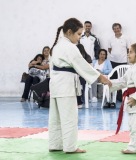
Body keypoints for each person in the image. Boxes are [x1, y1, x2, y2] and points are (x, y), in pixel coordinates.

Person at [48, 18, 111, 154]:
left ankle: (55, 144)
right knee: (69, 117)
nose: (79, 38)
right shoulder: (69, 47)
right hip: (65, 85)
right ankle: (70, 147)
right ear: (69, 32)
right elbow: (81, 64)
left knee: (56, 117)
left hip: (55, 84)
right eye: (78, 34)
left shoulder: (57, 46)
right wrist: (100, 77)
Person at [110, 43, 136, 154]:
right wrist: (109, 83)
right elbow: (123, 82)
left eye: (131, 52)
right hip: (134, 100)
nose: (128, 54)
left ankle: (135, 147)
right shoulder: (133, 68)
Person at [76, 43, 92, 108]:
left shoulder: (87, 57)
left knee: (80, 81)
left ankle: (79, 100)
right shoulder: (75, 58)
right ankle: (78, 100)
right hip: (77, 75)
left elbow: (90, 68)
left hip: (85, 75)